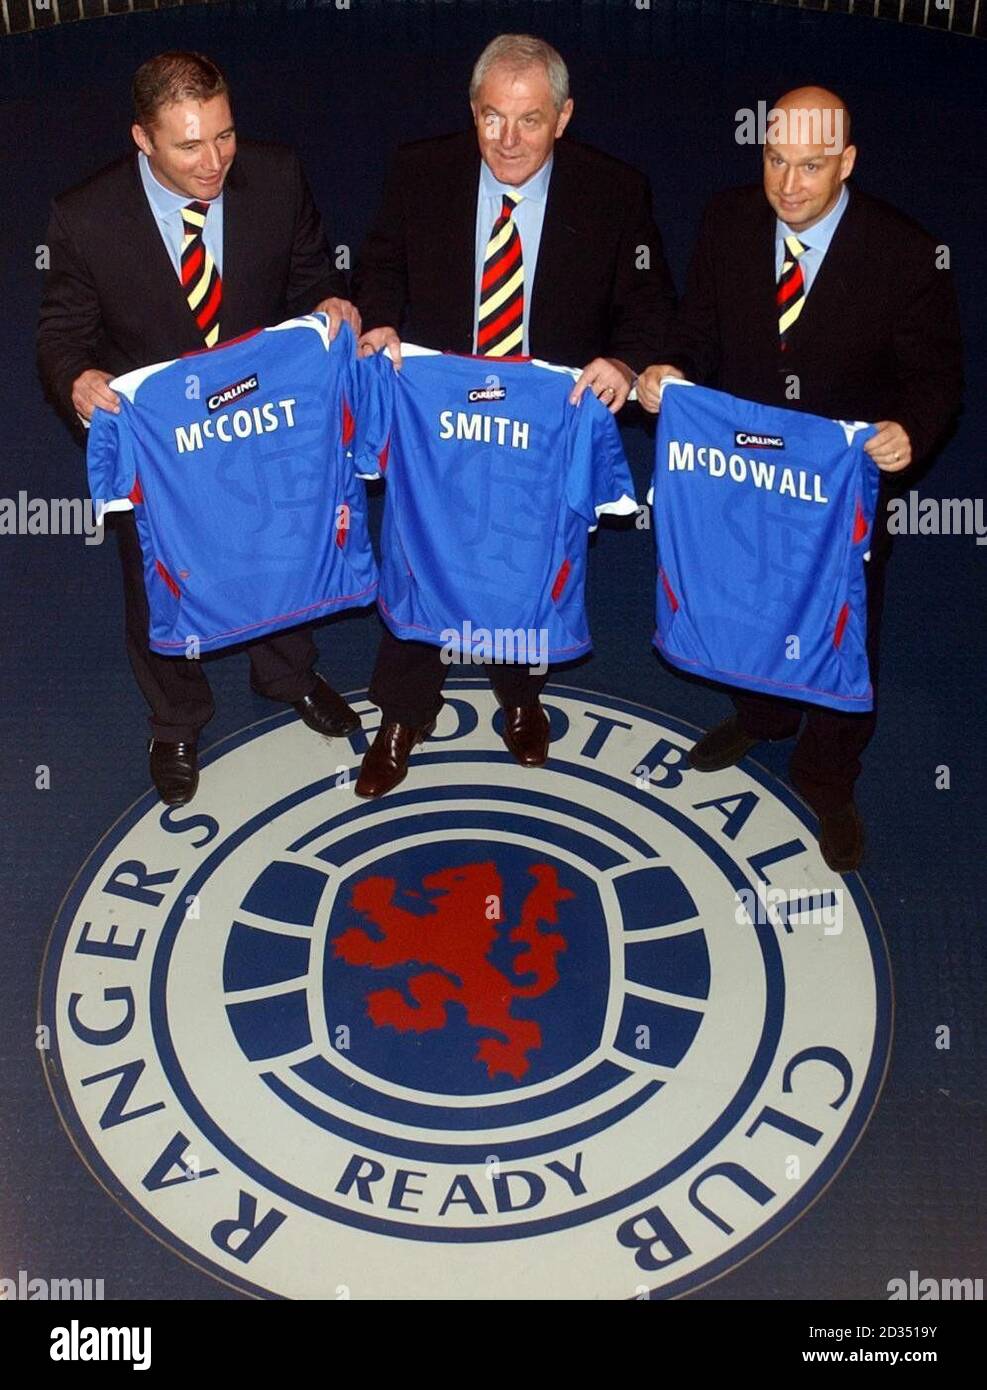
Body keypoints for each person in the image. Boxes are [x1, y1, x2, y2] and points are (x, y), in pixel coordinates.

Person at [637, 86, 963, 871]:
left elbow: (935, 377)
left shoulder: (904, 253)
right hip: (745, 478)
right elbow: (699, 332)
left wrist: (907, 434)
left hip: (840, 494)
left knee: (843, 627)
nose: (787, 185)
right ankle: (762, 713)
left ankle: (828, 771)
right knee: (752, 596)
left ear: (845, 163)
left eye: (810, 167)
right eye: (776, 161)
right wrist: (669, 372)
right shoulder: (726, 220)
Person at [351, 32, 677, 798]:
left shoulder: (613, 192)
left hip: (541, 427)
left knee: (524, 566)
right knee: (419, 557)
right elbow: (382, 261)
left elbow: (649, 304)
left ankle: (520, 696)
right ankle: (403, 712)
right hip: (437, 421)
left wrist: (625, 366)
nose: (508, 140)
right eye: (492, 117)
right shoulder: (418, 170)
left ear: (562, 118)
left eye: (529, 121)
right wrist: (380, 320)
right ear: (472, 111)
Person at [37, 51, 364, 806]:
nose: (214, 160)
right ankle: (177, 716)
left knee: (277, 543)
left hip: (265, 419)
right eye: (190, 145)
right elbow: (60, 338)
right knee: (157, 579)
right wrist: (76, 382)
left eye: (224, 136)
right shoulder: (84, 218)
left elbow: (313, 273)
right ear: (142, 140)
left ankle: (287, 672)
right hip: (163, 441)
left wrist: (333, 304)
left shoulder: (275, 177)